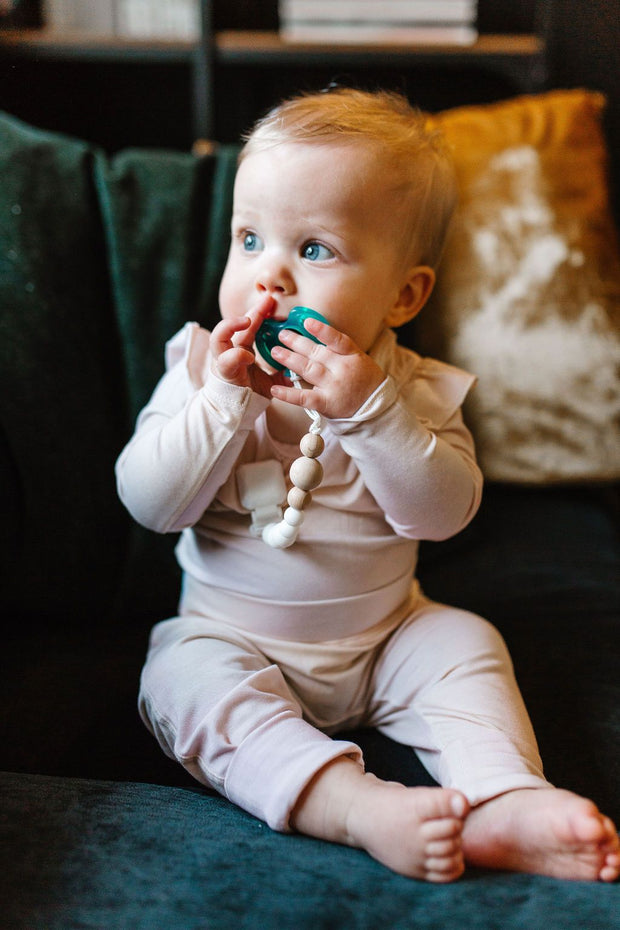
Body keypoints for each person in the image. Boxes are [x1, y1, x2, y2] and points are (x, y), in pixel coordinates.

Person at [116, 88, 620, 883]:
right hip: (231, 637)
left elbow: (443, 514)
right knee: (178, 680)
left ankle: (505, 798)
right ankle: (353, 805)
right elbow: (149, 504)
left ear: (404, 295)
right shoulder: (199, 369)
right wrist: (221, 404)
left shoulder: (417, 393)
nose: (269, 275)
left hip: (386, 640)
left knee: (464, 643)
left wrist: (370, 414)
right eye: (249, 239)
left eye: (315, 249)